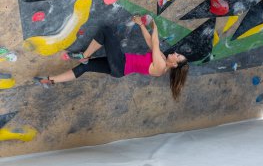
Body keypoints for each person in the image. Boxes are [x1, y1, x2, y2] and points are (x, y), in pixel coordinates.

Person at [35, 16, 189, 100]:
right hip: (119, 68)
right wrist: (141, 25)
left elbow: (155, 41)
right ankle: (50, 80)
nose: (175, 53)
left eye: (178, 56)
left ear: (175, 64)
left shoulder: (161, 67)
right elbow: (150, 42)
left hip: (121, 64)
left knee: (106, 31)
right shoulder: (161, 58)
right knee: (85, 67)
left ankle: (84, 55)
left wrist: (155, 26)